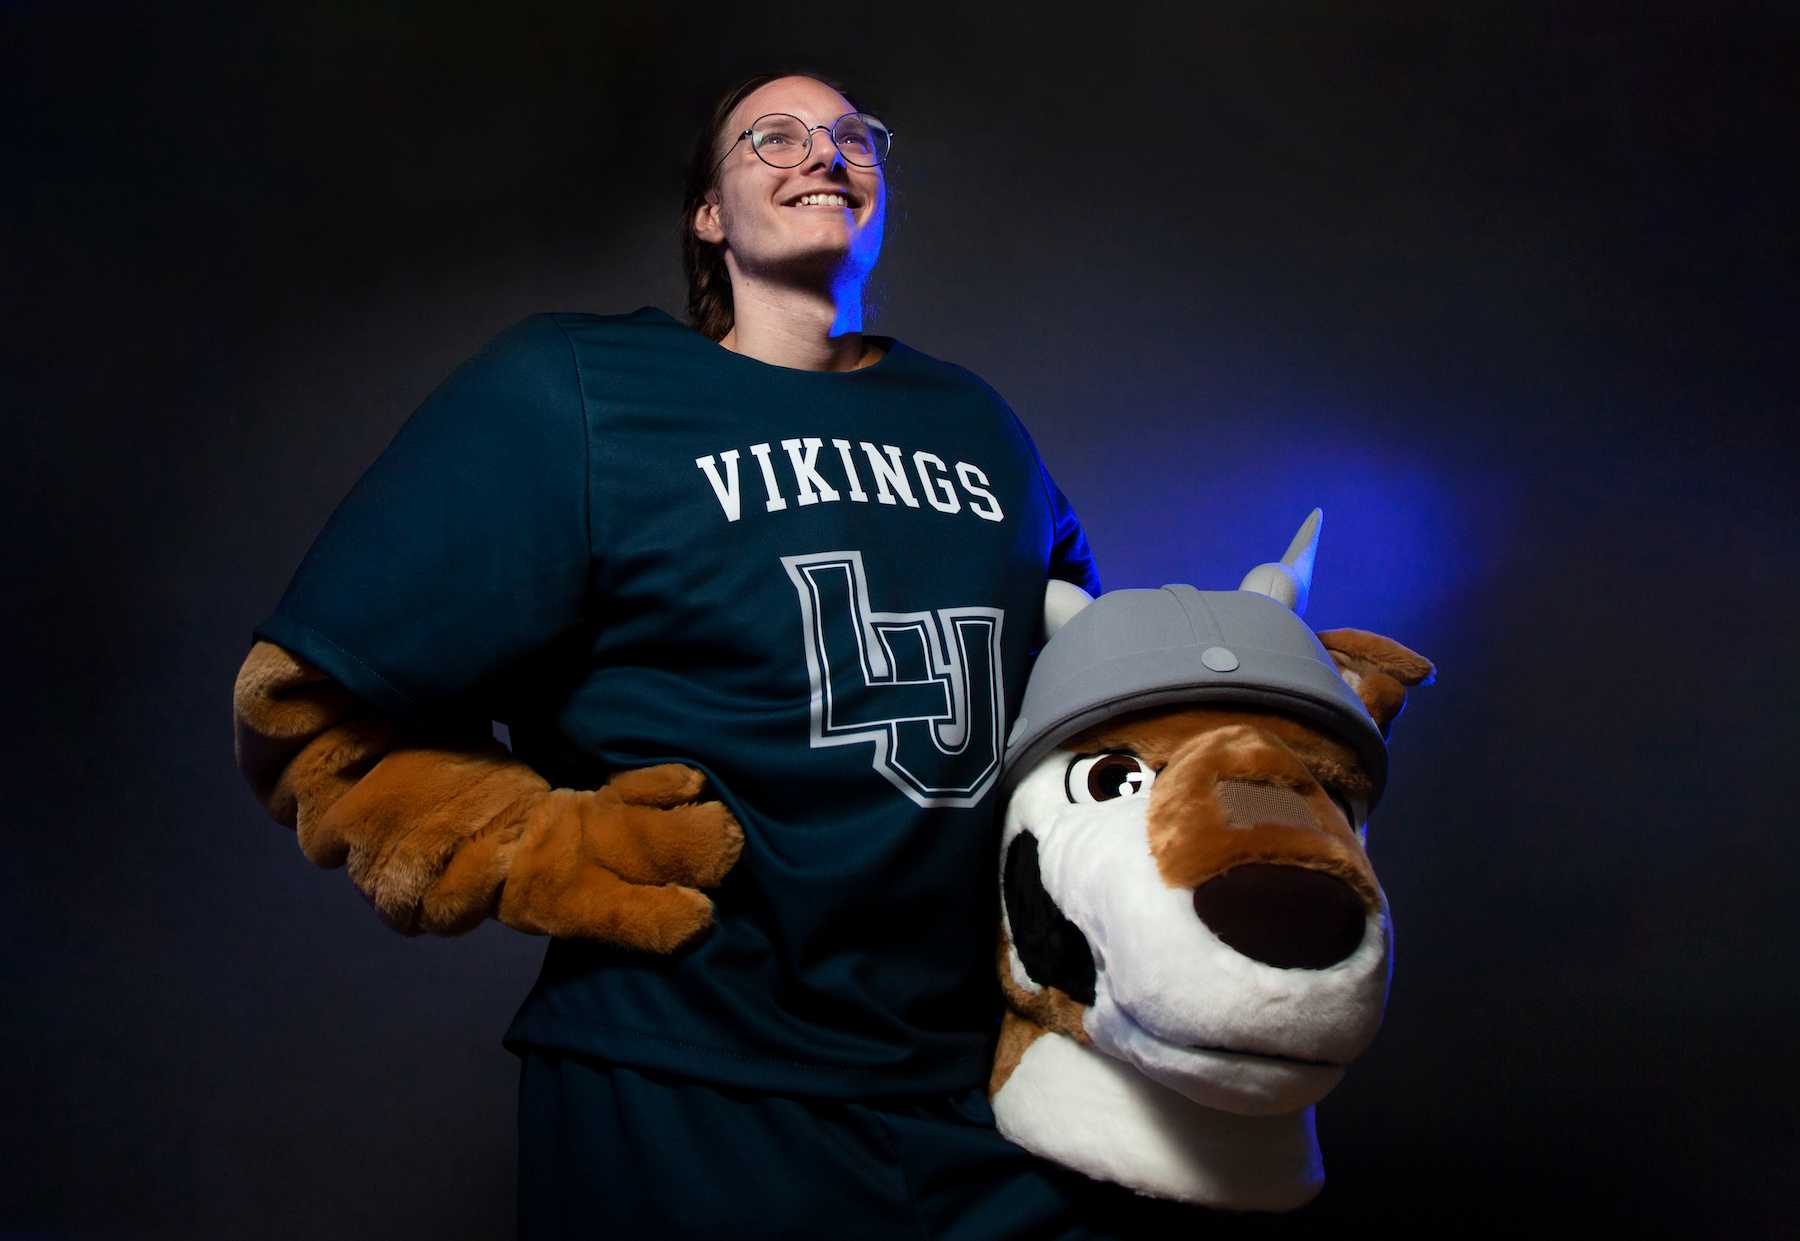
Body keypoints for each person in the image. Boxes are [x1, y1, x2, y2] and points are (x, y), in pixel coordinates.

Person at [234, 69, 1207, 1238]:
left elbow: (1087, 715)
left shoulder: (978, 420)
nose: (823, 154)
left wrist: (1261, 693)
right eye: (774, 136)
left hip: (983, 1090)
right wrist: (539, 840)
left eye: (854, 136)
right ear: (709, 213)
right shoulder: (576, 389)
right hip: (687, 1088)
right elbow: (304, 711)